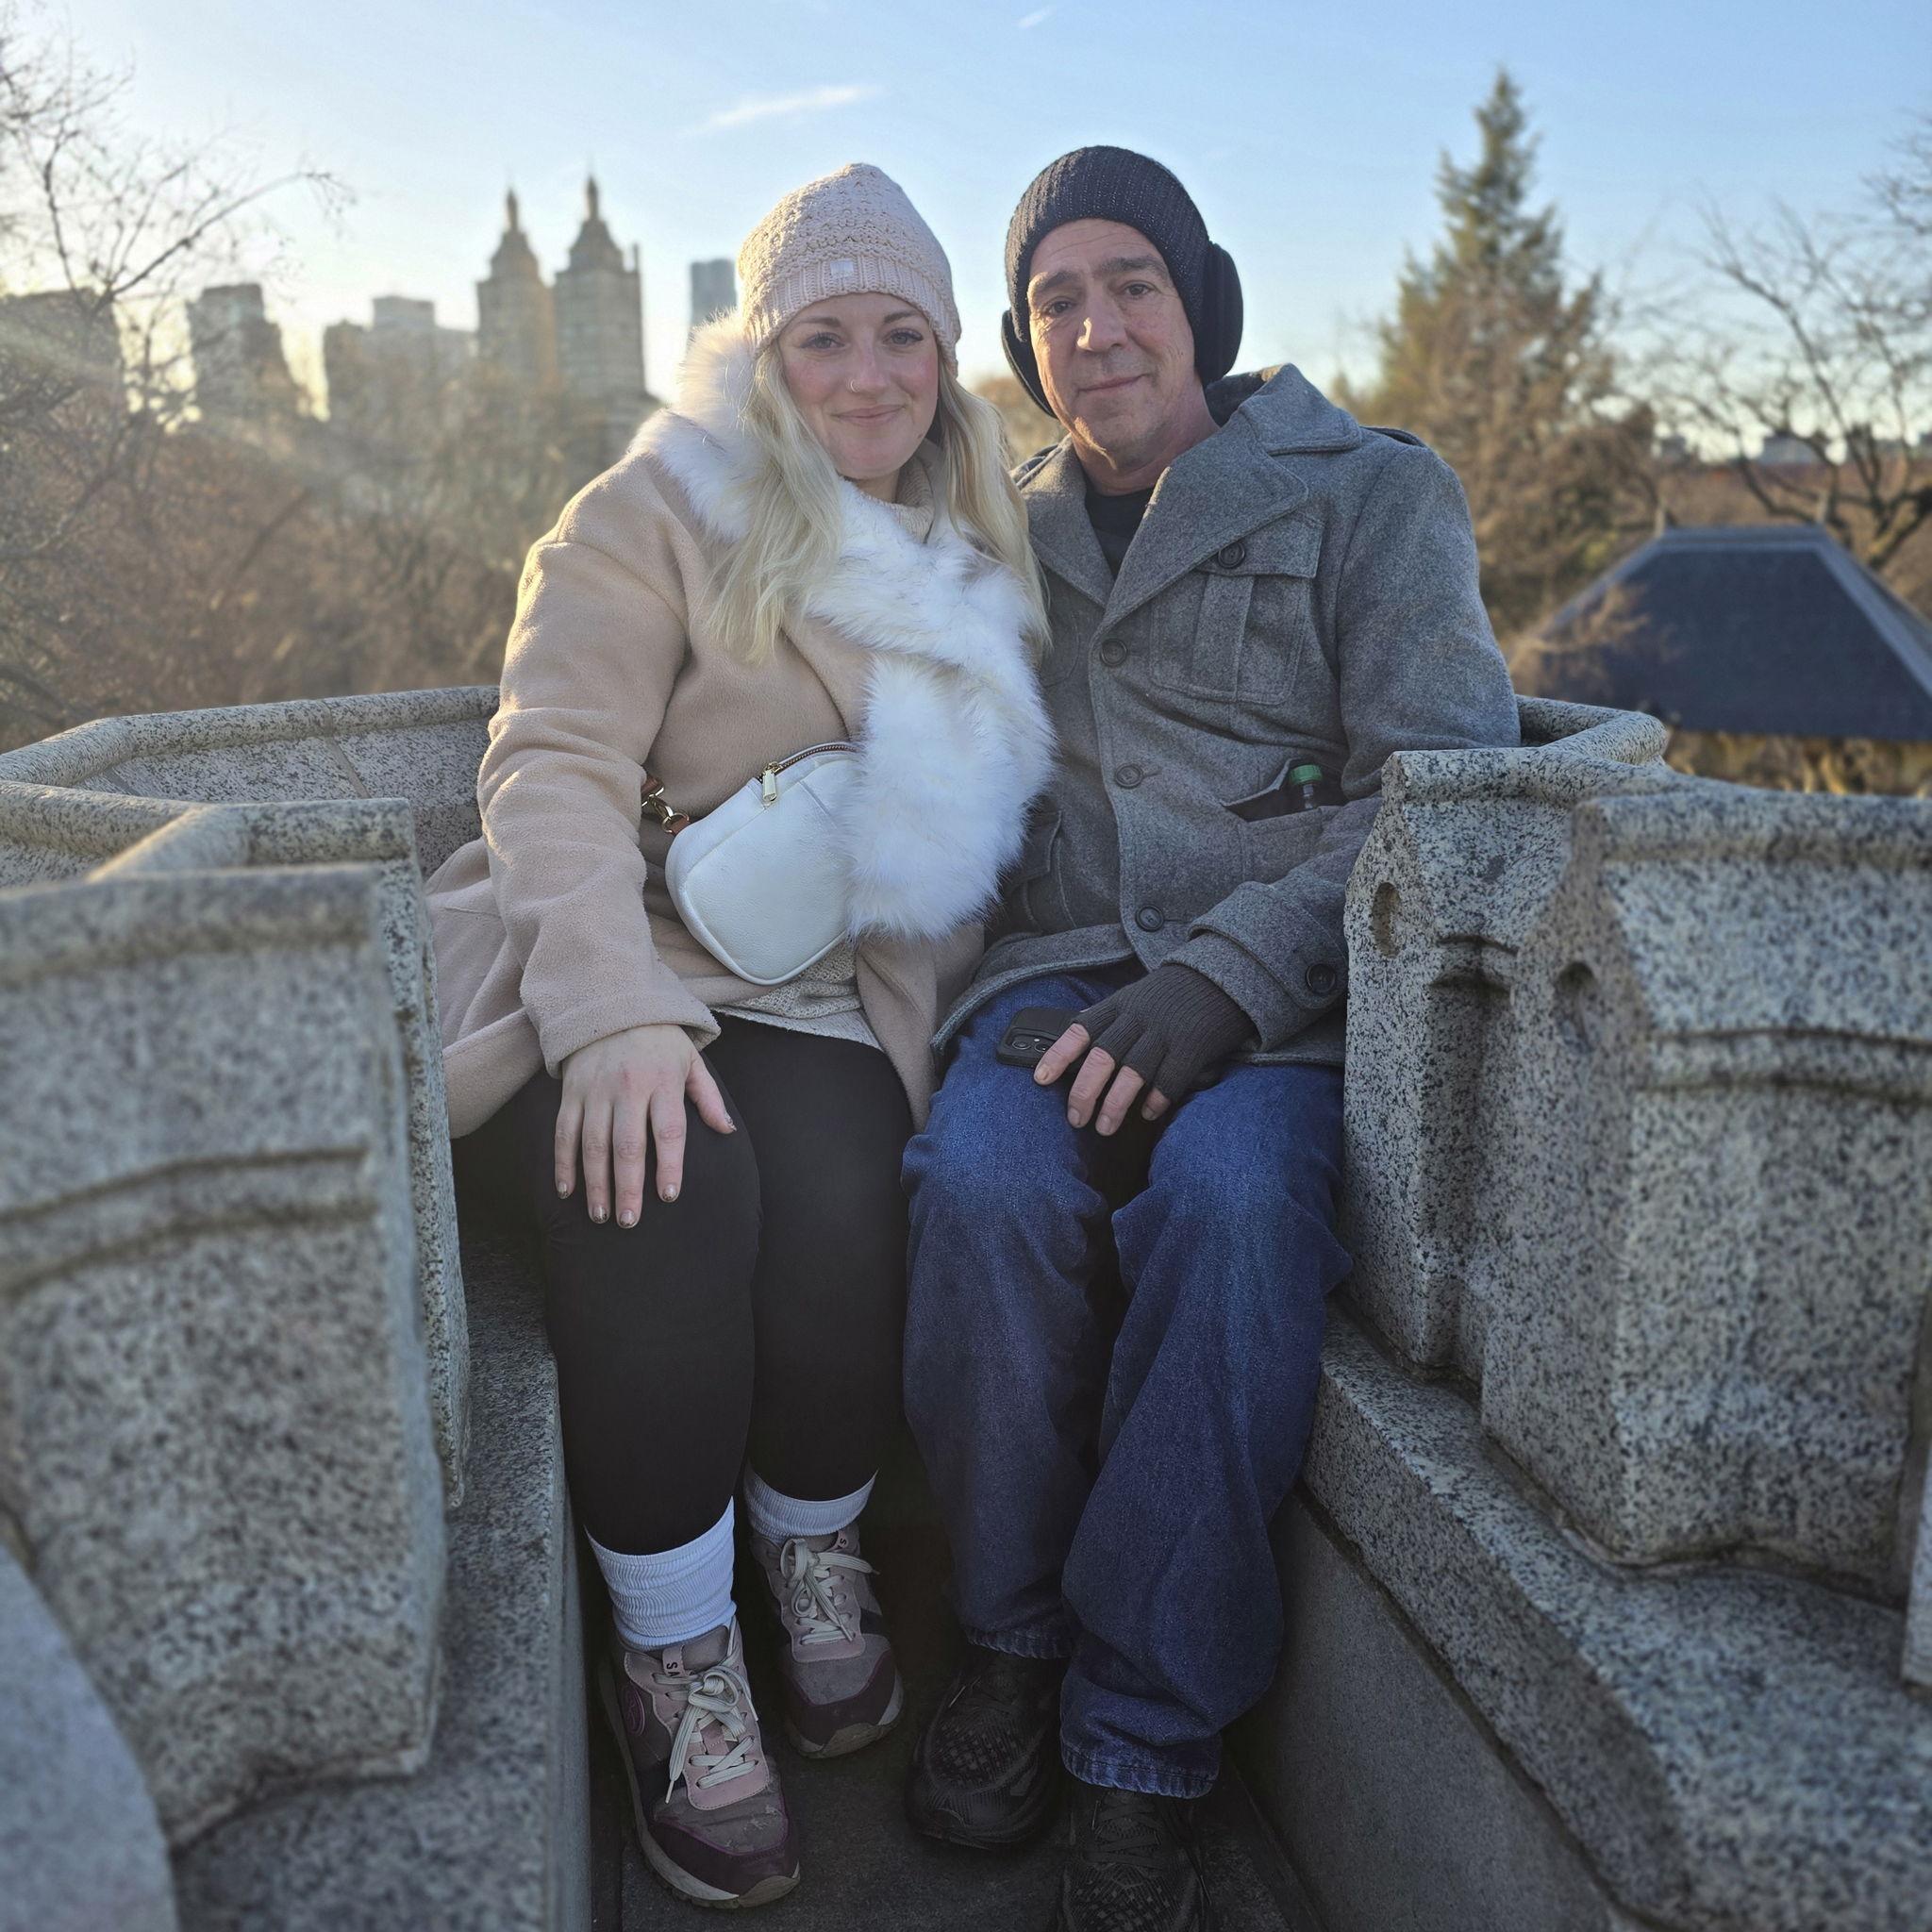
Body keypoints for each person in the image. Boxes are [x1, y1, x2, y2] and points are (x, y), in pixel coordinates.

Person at [901, 147, 1521, 1932]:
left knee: (1240, 1218)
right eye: (1055, 303)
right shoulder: (994, 539)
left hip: (1286, 1019)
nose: (1097, 330)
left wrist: (1237, 977)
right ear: (1025, 345)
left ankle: (1142, 1742)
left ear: (1202, 301)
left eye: (1132, 287)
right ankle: (1010, 1648)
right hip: (1063, 975)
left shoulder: (1368, 493)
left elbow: (1444, 786)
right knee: (983, 1183)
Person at [424, 162, 1051, 1911]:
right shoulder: (658, 505)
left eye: (903, 335)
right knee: (667, 1174)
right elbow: (547, 764)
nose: (867, 374)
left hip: (813, 992)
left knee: (855, 1178)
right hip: (611, 956)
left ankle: (811, 1558)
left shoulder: (975, 557)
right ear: (762, 354)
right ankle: (676, 1659)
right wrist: (612, 1015)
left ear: (947, 357)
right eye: (824, 336)